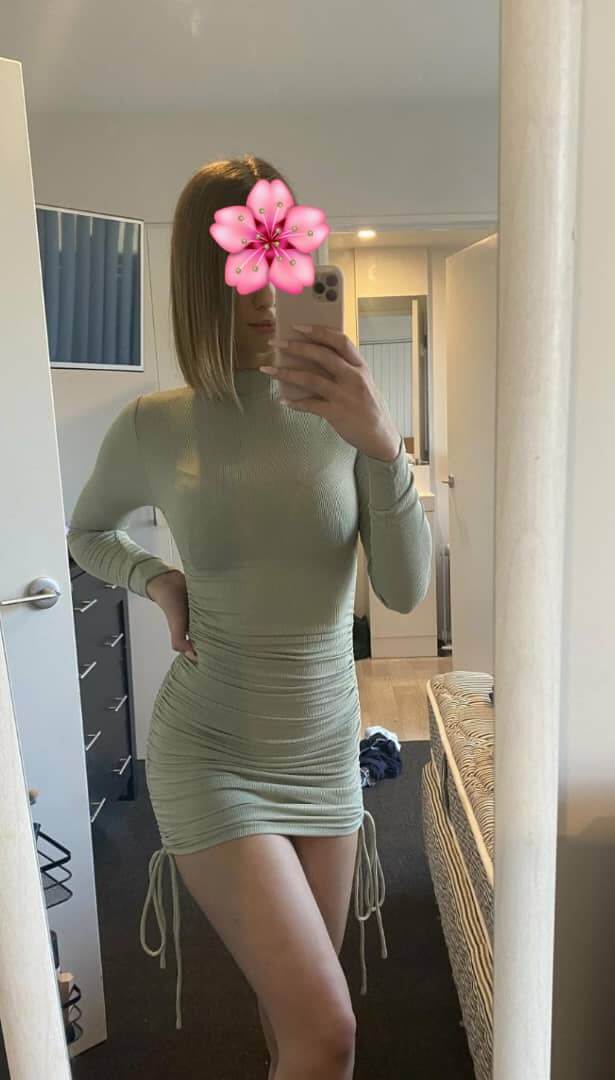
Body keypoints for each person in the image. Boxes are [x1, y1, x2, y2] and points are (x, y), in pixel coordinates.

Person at [67, 154, 432, 1080]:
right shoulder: (156, 425)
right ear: (203, 276)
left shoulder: (346, 416)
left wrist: (381, 445)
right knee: (329, 1030)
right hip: (212, 749)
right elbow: (87, 532)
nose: (271, 288)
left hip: (325, 751)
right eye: (245, 262)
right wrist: (158, 579)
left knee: (294, 1017)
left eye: (287, 257)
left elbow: (402, 590)